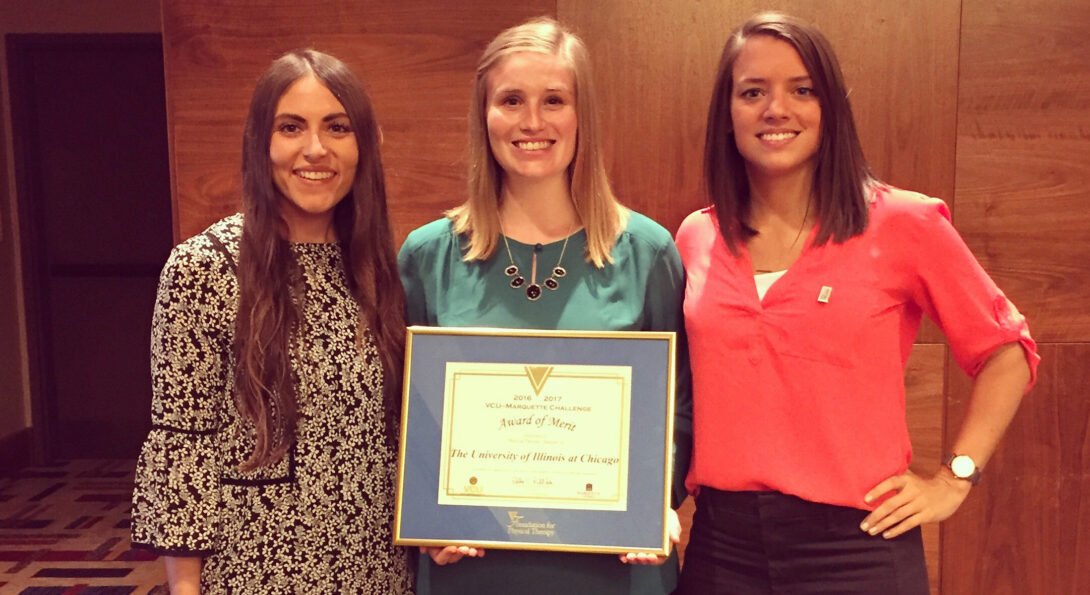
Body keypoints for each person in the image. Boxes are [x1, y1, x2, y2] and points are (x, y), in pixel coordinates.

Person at [675, 11, 1040, 594]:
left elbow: (1007, 352)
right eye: (752, 92)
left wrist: (955, 478)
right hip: (722, 547)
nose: (776, 109)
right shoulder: (696, 236)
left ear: (831, 109)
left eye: (802, 90)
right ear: (727, 114)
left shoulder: (903, 222)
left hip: (856, 548)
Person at [398, 17, 691, 595]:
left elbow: (680, 405)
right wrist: (426, 509)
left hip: (616, 564)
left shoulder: (648, 252)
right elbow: (404, 409)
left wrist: (658, 495)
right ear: (484, 115)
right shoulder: (427, 255)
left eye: (554, 100)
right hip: (470, 564)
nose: (532, 121)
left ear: (583, 117)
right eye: (511, 100)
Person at [130, 49, 413, 594]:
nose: (315, 149)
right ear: (261, 143)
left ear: (364, 146)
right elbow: (182, 447)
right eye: (291, 127)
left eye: (337, 127)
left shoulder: (381, 269)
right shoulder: (204, 268)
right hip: (256, 573)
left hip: (376, 569)